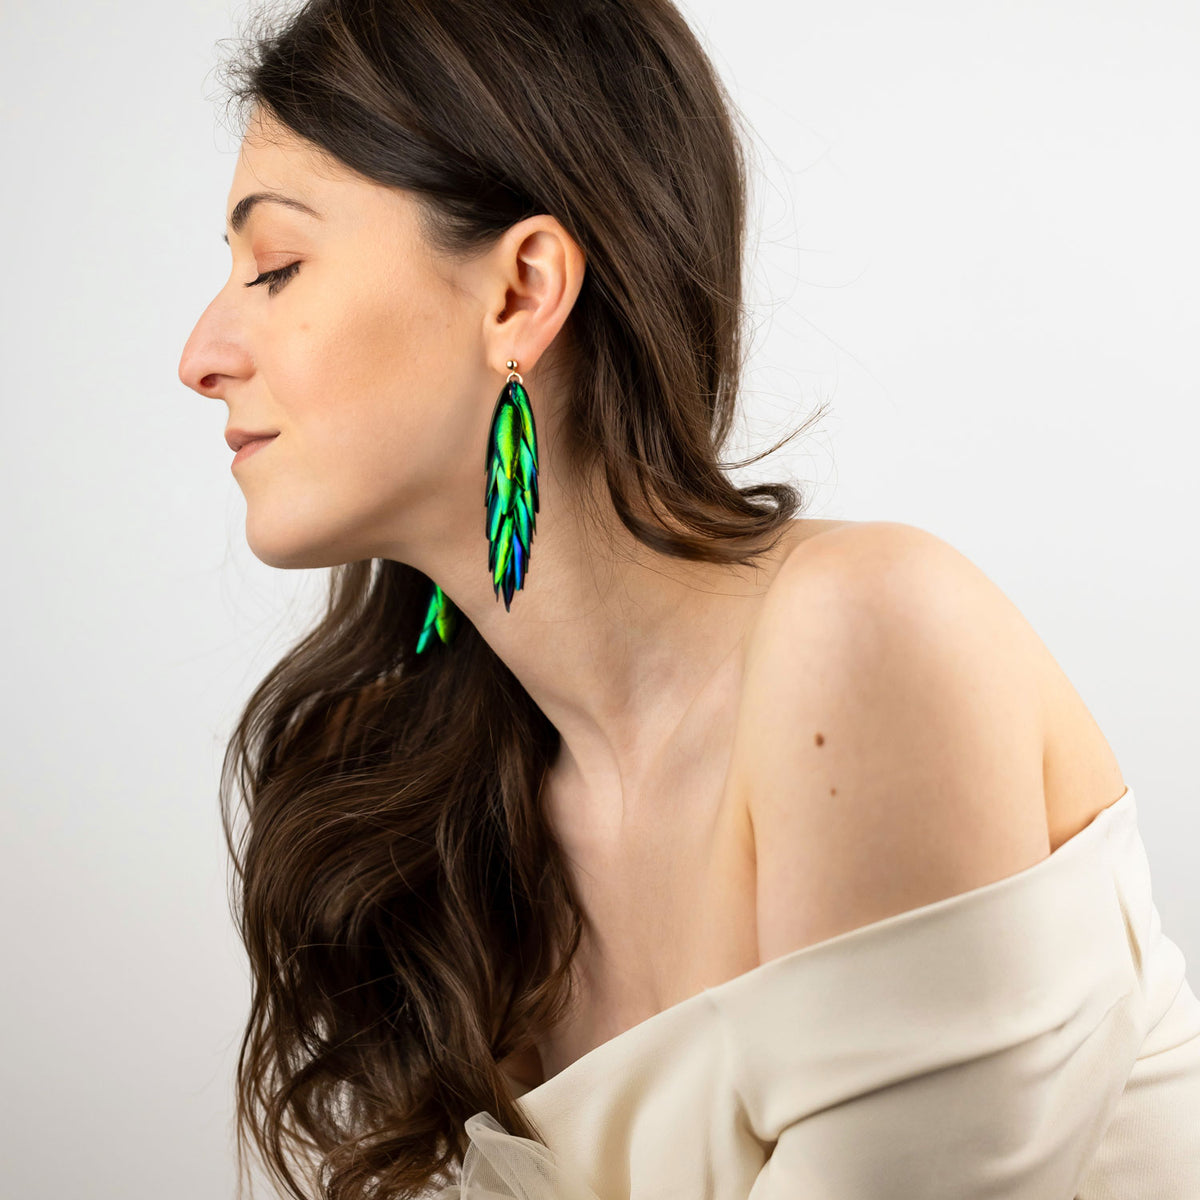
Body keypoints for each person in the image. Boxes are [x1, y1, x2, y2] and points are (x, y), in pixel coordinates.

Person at [177, 1, 1200, 1197]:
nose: (202, 355)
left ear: (521, 292)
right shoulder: (452, 814)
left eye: (275, 267)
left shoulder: (871, 633)